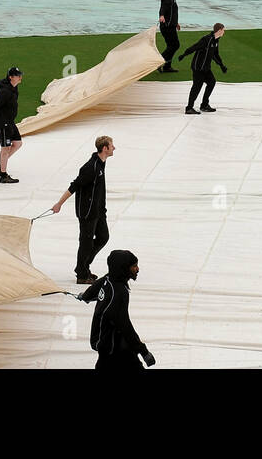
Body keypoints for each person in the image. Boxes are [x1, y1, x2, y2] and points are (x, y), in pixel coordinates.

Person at [51, 136, 114, 284]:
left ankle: (83, 266)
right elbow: (74, 186)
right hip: (88, 212)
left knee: (103, 237)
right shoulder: (90, 168)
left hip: (99, 211)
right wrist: (59, 204)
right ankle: (82, 274)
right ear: (105, 148)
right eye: (112, 146)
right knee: (85, 242)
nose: (114, 148)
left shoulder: (101, 164)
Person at [80, 249, 154, 371]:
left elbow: (94, 288)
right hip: (110, 344)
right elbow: (125, 325)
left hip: (109, 339)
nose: (138, 269)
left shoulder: (109, 279)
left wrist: (85, 296)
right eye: (134, 266)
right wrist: (143, 351)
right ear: (124, 268)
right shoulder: (120, 293)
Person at [179, 23, 227, 114]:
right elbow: (194, 47)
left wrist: (221, 65)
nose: (224, 32)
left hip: (206, 68)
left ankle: (204, 105)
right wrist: (184, 55)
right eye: (223, 30)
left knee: (212, 82)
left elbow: (215, 55)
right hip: (198, 68)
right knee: (197, 87)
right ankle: (189, 108)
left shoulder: (216, 40)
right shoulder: (206, 40)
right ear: (219, 30)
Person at [0, 66, 24, 183]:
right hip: (2, 123)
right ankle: (3, 175)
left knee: (17, 143)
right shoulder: (5, 91)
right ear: (10, 77)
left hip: (10, 121)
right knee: (5, 148)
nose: (20, 77)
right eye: (17, 76)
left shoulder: (14, 88)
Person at [158, 0, 180, 73]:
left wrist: (176, 23)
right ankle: (159, 62)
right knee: (175, 45)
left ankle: (167, 66)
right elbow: (163, 7)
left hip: (170, 26)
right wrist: (161, 15)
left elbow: (171, 13)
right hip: (167, 27)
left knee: (171, 46)